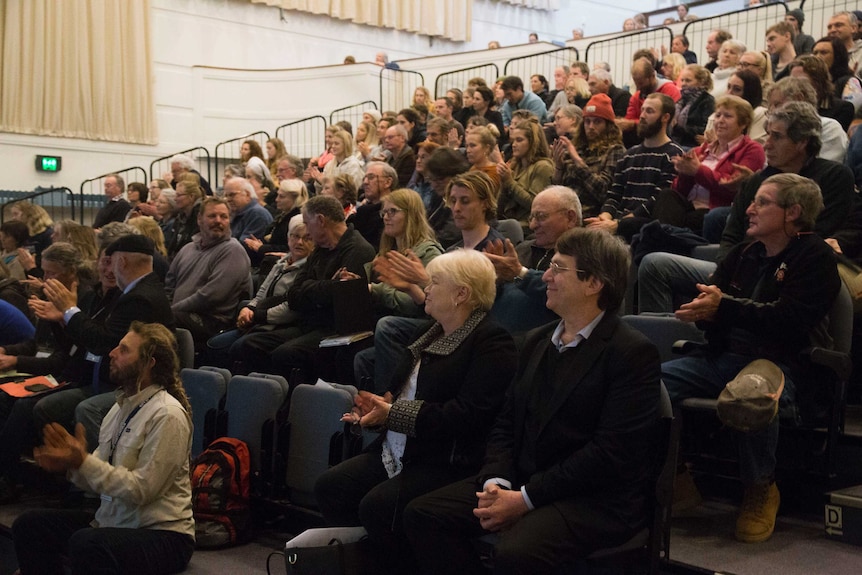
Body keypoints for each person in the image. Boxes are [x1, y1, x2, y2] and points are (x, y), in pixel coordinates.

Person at [403, 227, 661, 574]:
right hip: (525, 481)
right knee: (424, 514)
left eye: (557, 268)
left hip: (591, 497)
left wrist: (525, 499)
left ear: (593, 283)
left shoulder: (631, 353)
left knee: (516, 552)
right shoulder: (535, 341)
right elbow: (505, 423)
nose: (547, 277)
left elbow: (609, 454)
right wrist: (497, 481)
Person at [662, 174, 839, 543]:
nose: (749, 209)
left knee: (751, 393)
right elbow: (720, 306)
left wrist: (723, 307)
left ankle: (761, 488)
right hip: (726, 357)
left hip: (784, 363)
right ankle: (676, 477)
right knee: (650, 384)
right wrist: (706, 312)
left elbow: (789, 322)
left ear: (793, 212)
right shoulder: (746, 252)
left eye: (762, 202)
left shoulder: (816, 256)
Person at [315, 249, 517, 572]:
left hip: (445, 458)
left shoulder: (492, 342)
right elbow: (399, 395)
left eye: (435, 282)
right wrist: (376, 410)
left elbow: (468, 416)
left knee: (378, 507)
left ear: (461, 294)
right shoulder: (430, 332)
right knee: (331, 487)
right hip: (400, 448)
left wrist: (392, 414)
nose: (427, 290)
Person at [638, 101, 855, 314]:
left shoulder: (833, 176)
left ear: (802, 142)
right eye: (767, 134)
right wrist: (723, 273)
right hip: (737, 268)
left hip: (785, 272)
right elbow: (732, 234)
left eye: (776, 136)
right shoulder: (758, 180)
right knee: (653, 262)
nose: (767, 143)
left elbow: (817, 233)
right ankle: (663, 334)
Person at [13, 322, 195, 575]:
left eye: (123, 350)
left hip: (162, 535)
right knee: (29, 524)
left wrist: (83, 462)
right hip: (115, 523)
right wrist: (71, 467)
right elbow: (99, 480)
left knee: (87, 544)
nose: (111, 353)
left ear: (148, 363)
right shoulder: (118, 409)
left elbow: (143, 490)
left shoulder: (168, 415)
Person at [209, 216, 313, 369]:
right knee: (215, 344)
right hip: (260, 320)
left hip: (283, 324)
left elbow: (290, 308)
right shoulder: (281, 263)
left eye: (307, 238)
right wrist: (249, 308)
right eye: (295, 236)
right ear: (288, 238)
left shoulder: (309, 269)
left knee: (240, 346)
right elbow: (261, 292)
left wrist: (257, 315)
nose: (299, 242)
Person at [588, 93, 683, 241]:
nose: (642, 116)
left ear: (665, 117)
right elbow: (614, 194)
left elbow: (657, 201)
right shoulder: (629, 155)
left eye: (649, 111)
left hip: (645, 227)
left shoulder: (673, 155)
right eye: (642, 110)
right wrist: (605, 216)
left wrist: (619, 224)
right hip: (618, 221)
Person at [666, 95, 765, 238]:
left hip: (713, 210)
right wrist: (685, 173)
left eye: (728, 116)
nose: (720, 121)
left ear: (743, 123)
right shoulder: (701, 150)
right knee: (666, 196)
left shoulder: (752, 150)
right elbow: (680, 190)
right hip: (689, 206)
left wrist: (698, 171)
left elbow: (733, 187)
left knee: (663, 229)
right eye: (718, 115)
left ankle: (668, 240)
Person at [166, 197, 252, 349]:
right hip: (181, 313)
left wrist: (172, 309)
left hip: (212, 320)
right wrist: (164, 305)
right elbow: (169, 285)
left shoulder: (232, 250)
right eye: (212, 216)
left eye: (224, 216)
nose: (218, 221)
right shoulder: (187, 249)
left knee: (166, 318)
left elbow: (211, 295)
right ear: (199, 219)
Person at [552, 94, 625, 219]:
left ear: (608, 125)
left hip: (590, 215)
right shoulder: (577, 148)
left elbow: (603, 192)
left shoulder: (615, 150)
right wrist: (558, 167)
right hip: (563, 212)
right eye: (587, 121)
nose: (591, 127)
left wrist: (578, 161)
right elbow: (559, 188)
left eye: (597, 122)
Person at [497, 122, 554, 234]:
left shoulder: (543, 166)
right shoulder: (515, 166)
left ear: (532, 142)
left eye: (519, 140)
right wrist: (503, 184)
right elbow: (499, 210)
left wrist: (509, 182)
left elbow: (534, 204)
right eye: (513, 140)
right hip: (510, 222)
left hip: (529, 226)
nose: (513, 145)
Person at [244, 178, 308, 265]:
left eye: (281, 196)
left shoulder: (297, 220)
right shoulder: (283, 215)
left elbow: (288, 248)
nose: (277, 200)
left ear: (295, 198)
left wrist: (262, 247)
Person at [618, 58, 681, 144]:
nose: (638, 87)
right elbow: (629, 119)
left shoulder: (670, 90)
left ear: (652, 76)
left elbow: (668, 121)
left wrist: (633, 124)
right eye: (636, 83)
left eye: (641, 83)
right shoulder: (637, 96)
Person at [788, 55, 855, 132]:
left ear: (818, 81)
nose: (794, 85)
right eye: (791, 80)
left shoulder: (842, 108)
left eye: (801, 81)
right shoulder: (788, 107)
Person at [423, 147, 470, 249]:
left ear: (456, 175)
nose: (434, 184)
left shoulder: (466, 197)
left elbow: (451, 236)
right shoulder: (439, 196)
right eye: (431, 179)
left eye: (440, 179)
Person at [812, 36, 862, 112]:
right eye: (815, 53)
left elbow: (852, 114)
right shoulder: (811, 83)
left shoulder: (849, 82)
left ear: (838, 56)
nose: (817, 57)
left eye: (824, 52)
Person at [671, 64, 715, 149]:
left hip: (692, 144)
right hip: (676, 141)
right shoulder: (680, 99)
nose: (683, 84)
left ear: (701, 82)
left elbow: (705, 129)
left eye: (688, 81)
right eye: (682, 80)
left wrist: (678, 128)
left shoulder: (707, 100)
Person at [223, 177, 273, 246]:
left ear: (247, 194)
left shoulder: (257, 214)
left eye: (232, 195)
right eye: (226, 196)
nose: (228, 199)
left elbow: (243, 247)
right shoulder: (236, 213)